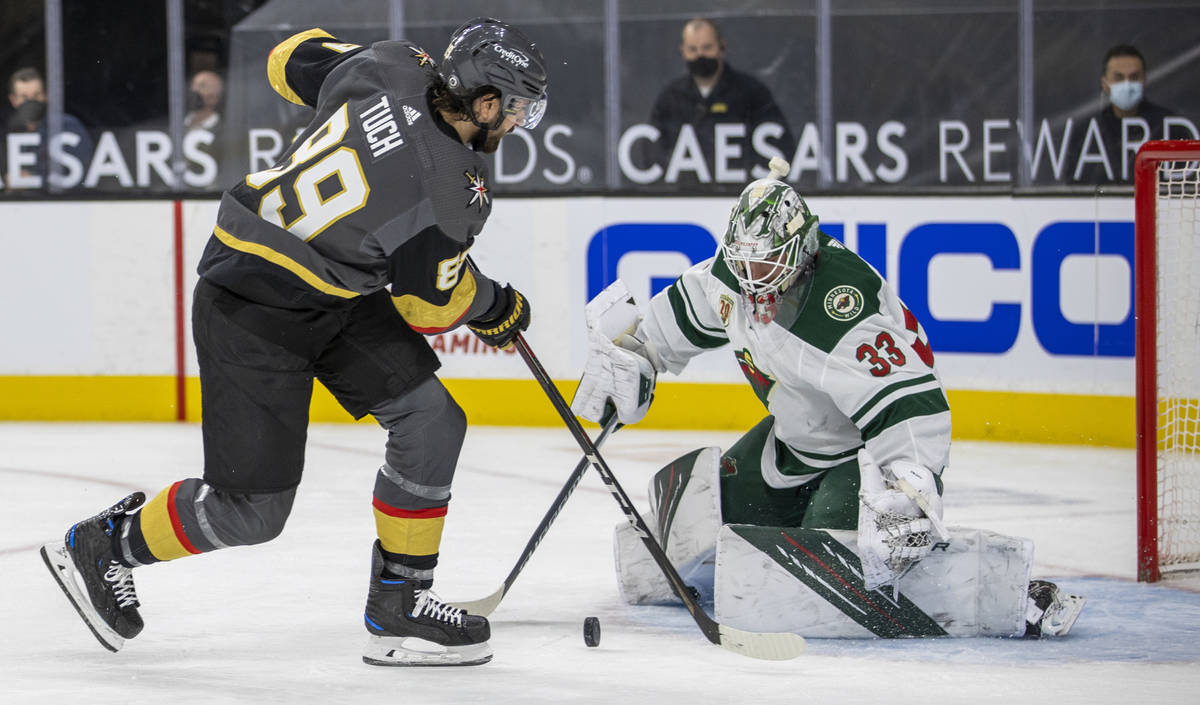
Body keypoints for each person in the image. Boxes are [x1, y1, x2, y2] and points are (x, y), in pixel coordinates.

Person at [39, 17, 548, 667]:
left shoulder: (392, 64)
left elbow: (289, 58)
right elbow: (425, 304)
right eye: (518, 109)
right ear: (484, 102)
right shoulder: (453, 192)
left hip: (331, 288)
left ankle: (400, 600)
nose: (518, 123)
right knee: (251, 511)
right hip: (254, 304)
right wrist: (494, 304)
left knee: (431, 419)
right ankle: (105, 544)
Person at [571, 157, 1086, 639]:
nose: (752, 280)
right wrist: (635, 358)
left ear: (800, 248)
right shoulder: (732, 276)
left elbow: (907, 401)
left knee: (827, 571)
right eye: (743, 262)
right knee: (695, 534)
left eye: (766, 262)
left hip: (862, 455)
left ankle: (1010, 597)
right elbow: (672, 325)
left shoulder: (843, 309)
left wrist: (910, 486)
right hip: (794, 440)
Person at [647, 17, 795, 186]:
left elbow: (780, 143)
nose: (700, 55)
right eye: (693, 49)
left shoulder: (751, 92)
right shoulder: (671, 97)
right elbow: (653, 152)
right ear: (683, 51)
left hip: (740, 195)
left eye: (707, 47)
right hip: (685, 196)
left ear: (721, 47)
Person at [1065, 44, 1185, 184]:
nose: (1127, 84)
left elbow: (1183, 183)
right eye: (1119, 78)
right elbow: (1076, 188)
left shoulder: (1169, 126)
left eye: (1134, 77)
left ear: (1144, 80)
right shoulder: (1088, 132)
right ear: (1104, 83)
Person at [5, 66, 93, 187]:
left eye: (36, 96)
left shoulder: (67, 126)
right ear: (13, 100)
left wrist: (36, 180)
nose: (31, 103)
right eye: (24, 97)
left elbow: (85, 172)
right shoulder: (5, 132)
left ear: (45, 95)